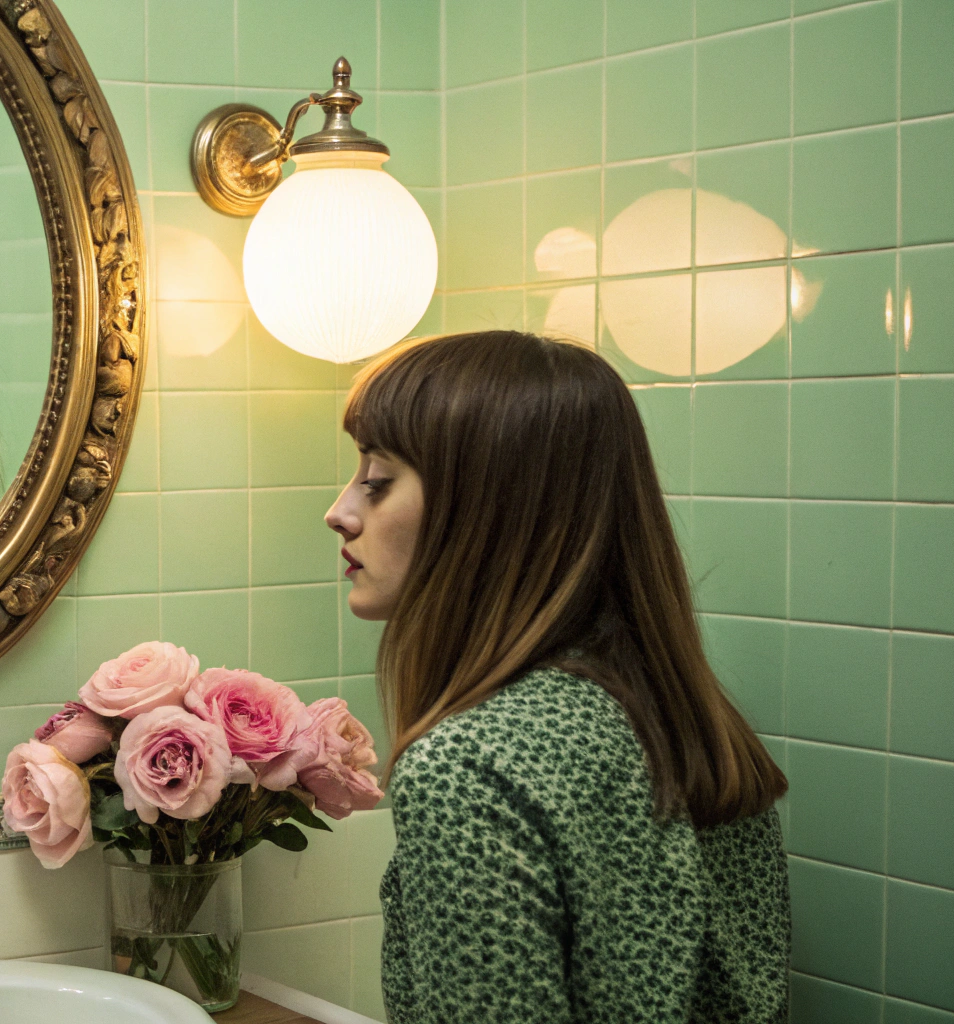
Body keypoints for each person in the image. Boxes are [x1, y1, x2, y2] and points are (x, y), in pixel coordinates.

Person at [326, 331, 789, 1021]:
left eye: (378, 480)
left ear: (490, 509)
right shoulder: (684, 722)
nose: (341, 510)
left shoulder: (468, 769)